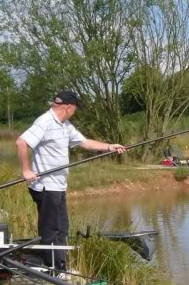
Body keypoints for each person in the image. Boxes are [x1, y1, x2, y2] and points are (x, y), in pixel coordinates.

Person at [16, 90, 126, 271]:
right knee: (51, 229)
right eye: (75, 108)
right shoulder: (45, 122)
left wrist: (109, 147)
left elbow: (85, 142)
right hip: (45, 186)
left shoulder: (65, 125)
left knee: (62, 227)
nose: (75, 111)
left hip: (58, 186)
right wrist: (26, 170)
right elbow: (21, 142)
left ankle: (60, 265)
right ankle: (52, 267)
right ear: (67, 107)